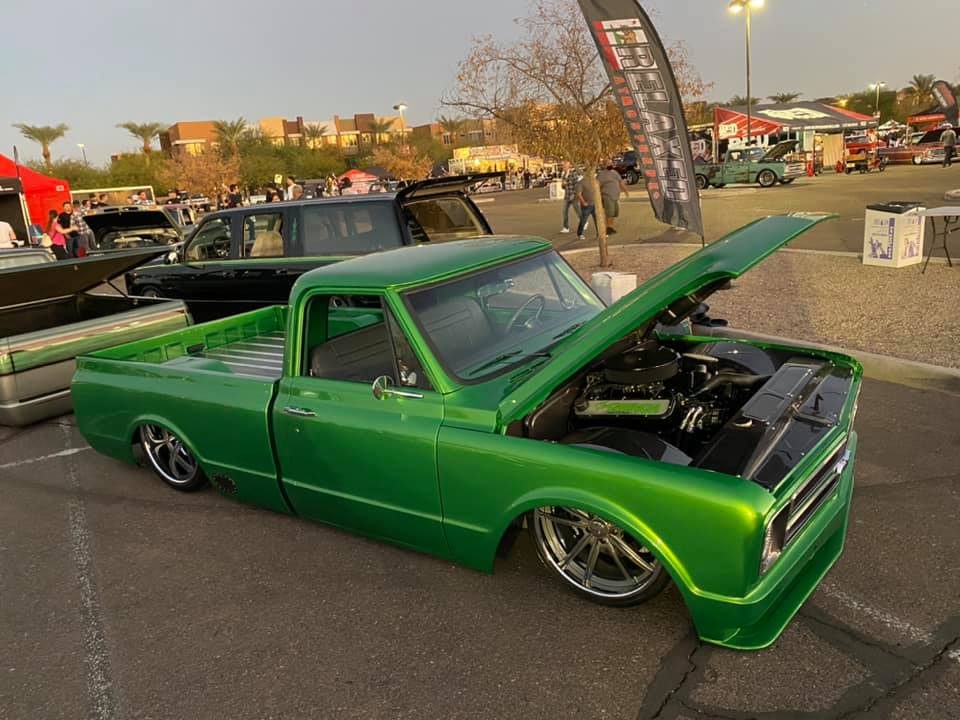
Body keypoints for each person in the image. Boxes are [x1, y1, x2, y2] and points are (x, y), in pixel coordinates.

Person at [597, 161, 629, 236]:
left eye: (611, 163)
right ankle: (607, 228)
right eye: (608, 163)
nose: (610, 165)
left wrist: (625, 190)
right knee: (609, 213)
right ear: (604, 165)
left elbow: (620, 182)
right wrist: (599, 196)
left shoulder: (614, 172)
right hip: (607, 196)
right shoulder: (601, 174)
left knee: (614, 213)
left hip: (615, 197)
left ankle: (610, 227)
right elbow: (598, 186)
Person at [575, 174, 599, 241]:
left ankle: (599, 234)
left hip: (595, 204)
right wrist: (583, 202)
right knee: (583, 220)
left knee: (597, 220)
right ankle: (580, 234)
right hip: (587, 205)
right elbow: (579, 194)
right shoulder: (582, 182)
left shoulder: (595, 181)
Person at [560, 162, 581, 234]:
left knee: (577, 210)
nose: (563, 168)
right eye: (563, 166)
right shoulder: (564, 175)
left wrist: (574, 194)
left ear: (568, 167)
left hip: (573, 196)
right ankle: (566, 227)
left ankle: (583, 222)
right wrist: (563, 185)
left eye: (565, 166)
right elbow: (563, 187)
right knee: (564, 211)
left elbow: (577, 185)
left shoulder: (573, 174)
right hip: (567, 196)